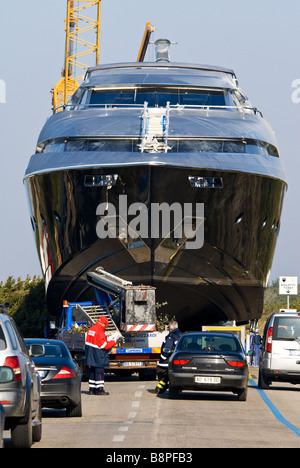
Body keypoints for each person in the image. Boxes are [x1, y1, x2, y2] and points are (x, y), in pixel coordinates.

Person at [85, 316, 121, 395]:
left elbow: (93, 342)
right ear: (102, 323)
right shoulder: (99, 331)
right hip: (98, 355)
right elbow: (103, 345)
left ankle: (92, 389)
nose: (105, 326)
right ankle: (99, 390)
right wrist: (113, 342)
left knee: (92, 372)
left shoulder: (91, 329)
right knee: (99, 373)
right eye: (105, 325)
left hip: (91, 354)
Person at [151, 320, 182, 395]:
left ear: (170, 328)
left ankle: (160, 388)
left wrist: (163, 358)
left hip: (167, 361)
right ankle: (162, 387)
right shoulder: (181, 335)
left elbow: (167, 348)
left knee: (160, 372)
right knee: (168, 375)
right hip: (178, 360)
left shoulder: (171, 336)